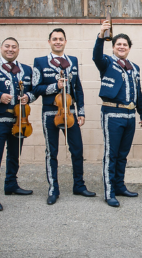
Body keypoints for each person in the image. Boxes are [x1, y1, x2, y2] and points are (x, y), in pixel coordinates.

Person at [32, 28, 96, 205]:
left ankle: (79, 185)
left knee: (77, 149)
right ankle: (53, 189)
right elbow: (35, 88)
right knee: (52, 152)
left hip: (71, 113)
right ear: (49, 42)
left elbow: (78, 88)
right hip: (50, 112)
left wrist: (81, 111)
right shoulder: (40, 61)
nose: (58, 41)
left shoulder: (73, 61)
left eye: (61, 39)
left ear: (65, 42)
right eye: (54, 39)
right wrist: (55, 86)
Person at [93, 20, 142, 207]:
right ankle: (109, 192)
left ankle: (119, 186)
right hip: (112, 114)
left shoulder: (135, 67)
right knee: (112, 154)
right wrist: (101, 35)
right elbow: (96, 56)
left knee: (123, 154)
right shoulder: (107, 62)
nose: (122, 47)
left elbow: (138, 91)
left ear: (129, 48)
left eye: (125, 44)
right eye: (118, 44)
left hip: (130, 116)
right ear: (114, 47)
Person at [0, 37, 36, 212]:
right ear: (1, 48)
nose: (10, 49)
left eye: (14, 47)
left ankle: (11, 184)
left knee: (15, 155)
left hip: (19, 120)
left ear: (18, 50)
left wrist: (29, 97)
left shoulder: (26, 70)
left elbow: (35, 90)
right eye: (7, 46)